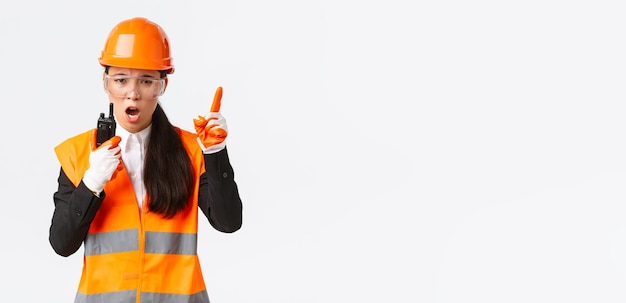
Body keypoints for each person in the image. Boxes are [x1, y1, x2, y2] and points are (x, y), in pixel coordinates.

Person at [49, 17, 243, 303]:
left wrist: (215, 153)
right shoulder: (77, 154)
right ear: (106, 84)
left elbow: (228, 222)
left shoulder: (191, 151)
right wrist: (90, 184)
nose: (133, 93)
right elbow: (62, 244)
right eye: (121, 80)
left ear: (162, 86)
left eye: (146, 81)